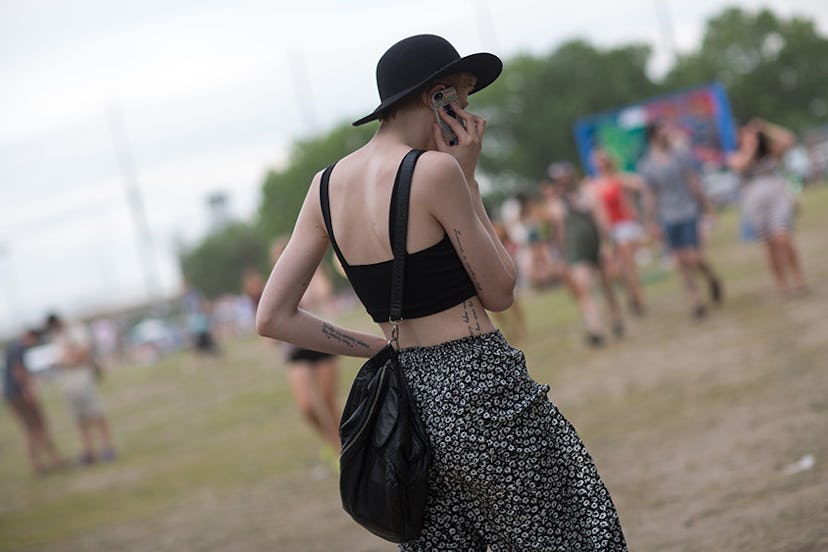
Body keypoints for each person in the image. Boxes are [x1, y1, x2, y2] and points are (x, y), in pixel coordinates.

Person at [256, 34, 626, 550]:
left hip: (403, 402)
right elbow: (499, 290)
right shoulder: (436, 171)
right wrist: (468, 180)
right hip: (478, 385)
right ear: (438, 98)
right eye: (462, 101)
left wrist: (378, 349)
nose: (468, 118)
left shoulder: (323, 188)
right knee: (562, 532)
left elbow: (272, 317)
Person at [638, 120, 723, 319]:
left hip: (688, 211)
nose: (667, 133)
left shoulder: (680, 156)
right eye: (663, 130)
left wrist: (708, 208)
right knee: (680, 261)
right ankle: (696, 301)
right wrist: (651, 222)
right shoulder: (647, 165)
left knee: (693, 257)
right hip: (667, 215)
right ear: (653, 135)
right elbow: (650, 195)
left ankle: (711, 277)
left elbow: (693, 182)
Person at [269, 237, 342, 454]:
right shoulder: (277, 282)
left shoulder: (315, 274)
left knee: (329, 401)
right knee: (307, 406)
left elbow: (322, 295)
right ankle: (333, 443)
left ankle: (346, 449)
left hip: (323, 341)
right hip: (296, 347)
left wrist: (313, 270)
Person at [727, 118, 808, 296]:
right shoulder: (736, 155)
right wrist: (750, 145)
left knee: (782, 237)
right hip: (755, 202)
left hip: (777, 197)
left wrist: (766, 127)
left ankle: (798, 276)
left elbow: (789, 139)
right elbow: (741, 166)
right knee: (769, 246)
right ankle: (782, 283)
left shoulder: (770, 152)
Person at [546, 162, 624, 346]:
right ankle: (595, 328)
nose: (563, 182)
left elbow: (601, 218)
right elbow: (559, 232)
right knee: (585, 288)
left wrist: (607, 244)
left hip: (596, 246)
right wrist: (561, 257)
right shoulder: (556, 204)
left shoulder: (587, 194)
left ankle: (616, 319)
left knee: (607, 286)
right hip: (576, 252)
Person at [45, 313, 116, 465]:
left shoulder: (76, 331)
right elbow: (60, 358)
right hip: (69, 385)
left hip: (83, 381)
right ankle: (88, 452)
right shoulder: (56, 337)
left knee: (96, 415)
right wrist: (65, 361)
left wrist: (66, 362)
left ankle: (108, 447)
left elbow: (83, 353)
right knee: (79, 421)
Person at [588, 148, 649, 315]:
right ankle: (632, 294)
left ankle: (638, 299)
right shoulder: (594, 185)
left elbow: (640, 183)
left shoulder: (618, 179)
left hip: (624, 226)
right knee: (617, 270)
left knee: (628, 265)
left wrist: (633, 206)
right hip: (610, 230)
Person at [3, 329, 65, 474]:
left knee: (33, 427)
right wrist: (27, 390)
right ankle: (47, 461)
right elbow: (18, 371)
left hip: (14, 395)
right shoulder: (19, 348)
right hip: (20, 395)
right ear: (31, 337)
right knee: (36, 427)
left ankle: (47, 461)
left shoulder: (14, 346)